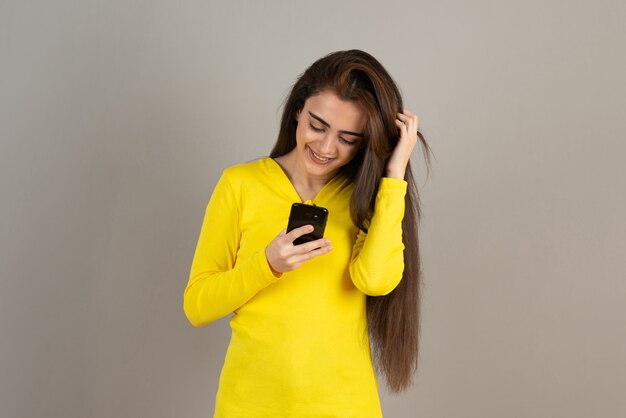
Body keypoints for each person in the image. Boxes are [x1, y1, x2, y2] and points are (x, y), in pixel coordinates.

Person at [184, 49, 432, 417]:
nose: (326, 147)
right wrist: (266, 264)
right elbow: (198, 306)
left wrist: (394, 176)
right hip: (250, 405)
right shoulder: (241, 185)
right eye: (318, 125)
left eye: (348, 138)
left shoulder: (365, 198)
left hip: (344, 406)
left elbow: (376, 280)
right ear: (298, 109)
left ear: (366, 142)